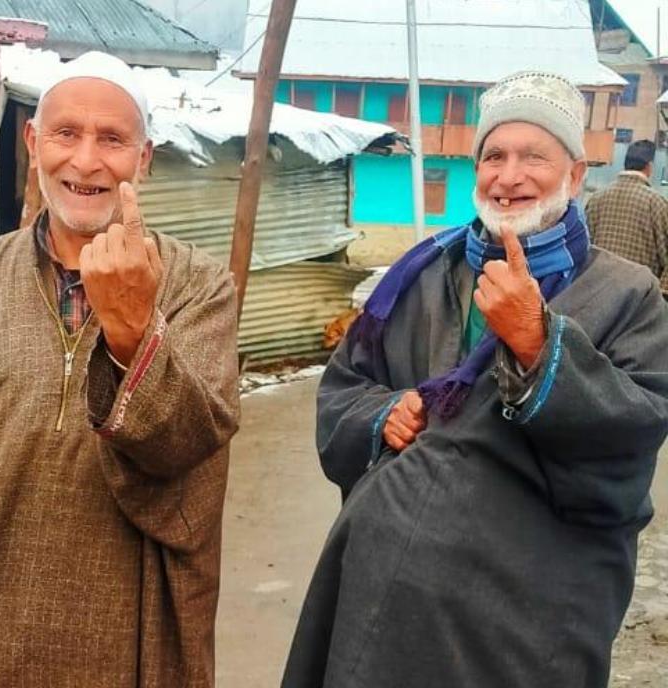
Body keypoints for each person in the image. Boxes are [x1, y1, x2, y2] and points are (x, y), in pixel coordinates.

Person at [282, 71, 668, 688]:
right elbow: (344, 387)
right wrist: (384, 414)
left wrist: (538, 344)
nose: (508, 177)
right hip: (380, 601)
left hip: (526, 619)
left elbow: (636, 427)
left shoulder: (627, 293)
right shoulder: (420, 276)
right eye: (494, 157)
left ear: (574, 176)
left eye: (533, 157)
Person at [0, 51, 240, 687]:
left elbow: (186, 443)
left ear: (144, 159)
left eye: (112, 140)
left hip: (107, 629)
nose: (86, 161)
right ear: (34, 143)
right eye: (66, 133)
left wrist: (131, 328)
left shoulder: (198, 287)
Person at [585, 138, 668, 294]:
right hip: (639, 298)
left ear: (625, 164)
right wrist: (661, 296)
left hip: (596, 293)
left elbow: (584, 248)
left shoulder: (596, 198)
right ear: (649, 167)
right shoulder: (657, 204)